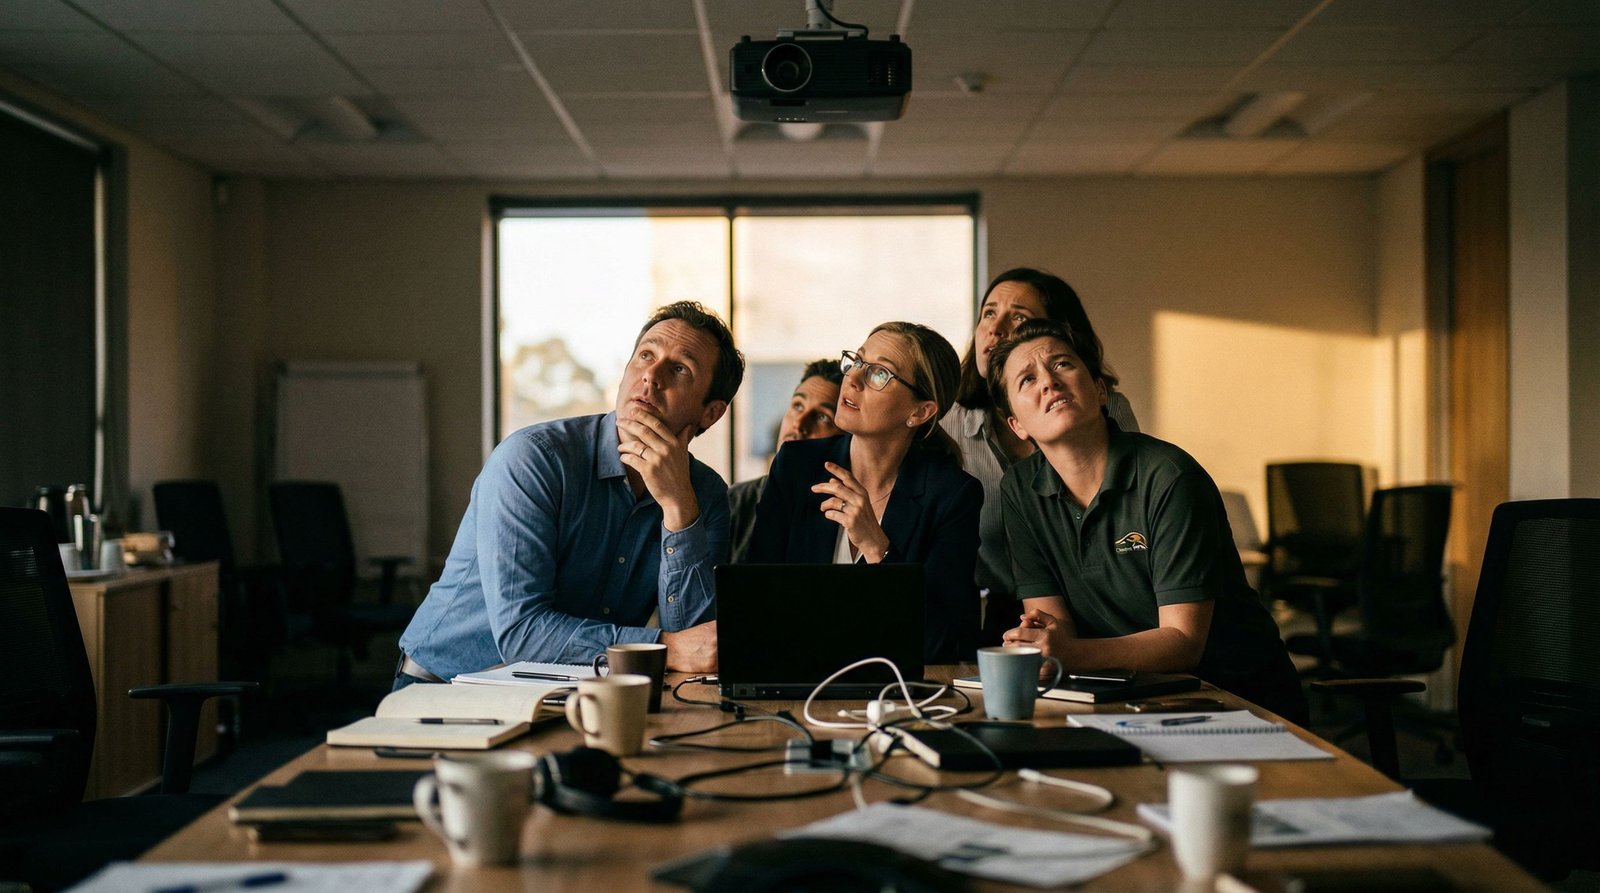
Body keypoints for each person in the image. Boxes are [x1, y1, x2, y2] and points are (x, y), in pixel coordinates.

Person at [395, 301, 744, 687]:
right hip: (446, 687)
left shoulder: (705, 496)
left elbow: (699, 648)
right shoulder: (534, 459)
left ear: (710, 413)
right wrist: (666, 648)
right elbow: (521, 633)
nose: (650, 375)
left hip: (576, 689)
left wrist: (679, 508)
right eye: (645, 355)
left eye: (679, 368)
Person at [989, 318, 1305, 722]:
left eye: (1063, 365)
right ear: (1016, 425)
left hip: (1235, 699)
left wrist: (1069, 654)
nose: (1049, 382)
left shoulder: (1169, 476)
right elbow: (1054, 625)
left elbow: (1183, 642)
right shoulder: (1020, 489)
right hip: (1122, 694)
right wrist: (1042, 646)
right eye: (1027, 380)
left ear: (1100, 390)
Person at [746, 322, 981, 662]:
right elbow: (754, 599)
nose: (853, 379)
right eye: (856, 361)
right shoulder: (796, 466)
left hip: (895, 691)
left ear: (920, 412)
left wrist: (877, 547)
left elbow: (946, 643)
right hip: (796, 674)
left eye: (880, 374)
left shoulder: (952, 495)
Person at [941, 268, 1140, 645]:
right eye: (988, 313)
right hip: (1006, 613)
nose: (995, 329)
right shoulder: (947, 425)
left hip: (1107, 608)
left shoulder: (1104, 408)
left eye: (1018, 317)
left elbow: (1127, 523)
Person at [728, 358, 844, 563]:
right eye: (797, 406)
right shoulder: (736, 501)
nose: (799, 424)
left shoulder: (846, 512)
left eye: (822, 416)